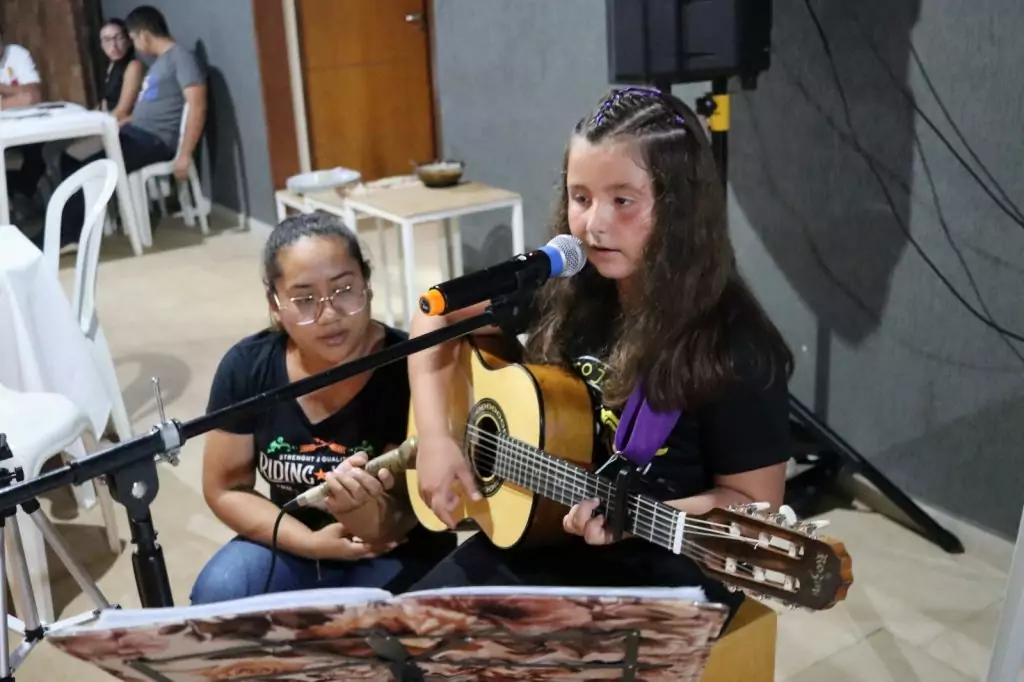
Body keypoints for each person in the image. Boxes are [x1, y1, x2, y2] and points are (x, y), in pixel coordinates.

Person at [405, 87, 794, 621]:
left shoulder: (735, 347)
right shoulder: (562, 283)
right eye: (580, 197)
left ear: (680, 209)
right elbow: (434, 313)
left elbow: (754, 511)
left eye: (622, 200)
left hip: (663, 569)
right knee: (396, 634)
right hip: (547, 531)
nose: (593, 224)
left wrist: (637, 516)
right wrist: (436, 438)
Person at [190, 213, 454, 605]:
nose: (329, 314)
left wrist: (356, 512)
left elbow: (404, 516)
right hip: (293, 540)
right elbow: (226, 488)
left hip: (395, 549)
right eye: (304, 299)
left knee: (358, 628)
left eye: (344, 288)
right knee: (220, 591)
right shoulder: (248, 367)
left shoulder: (410, 367)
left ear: (367, 284)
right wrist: (310, 542)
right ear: (275, 305)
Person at [46, 5, 207, 250]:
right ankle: (70, 229)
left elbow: (197, 104)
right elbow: (151, 107)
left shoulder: (181, 58)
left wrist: (185, 154)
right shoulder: (160, 63)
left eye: (130, 37)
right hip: (135, 133)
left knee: (85, 166)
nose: (133, 43)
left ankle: (67, 234)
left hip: (154, 141)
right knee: (70, 157)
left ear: (143, 34)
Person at [0, 30, 45, 219]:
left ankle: (21, 194)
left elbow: (32, 96)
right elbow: (23, 95)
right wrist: (15, 96)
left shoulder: (16, 54)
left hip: (26, 126)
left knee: (39, 154)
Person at [99, 18, 143, 123]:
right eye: (107, 40)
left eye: (118, 38)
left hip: (125, 125)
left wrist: (98, 124)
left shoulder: (134, 66)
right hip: (110, 120)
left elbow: (123, 110)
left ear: (128, 41)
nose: (113, 45)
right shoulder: (112, 65)